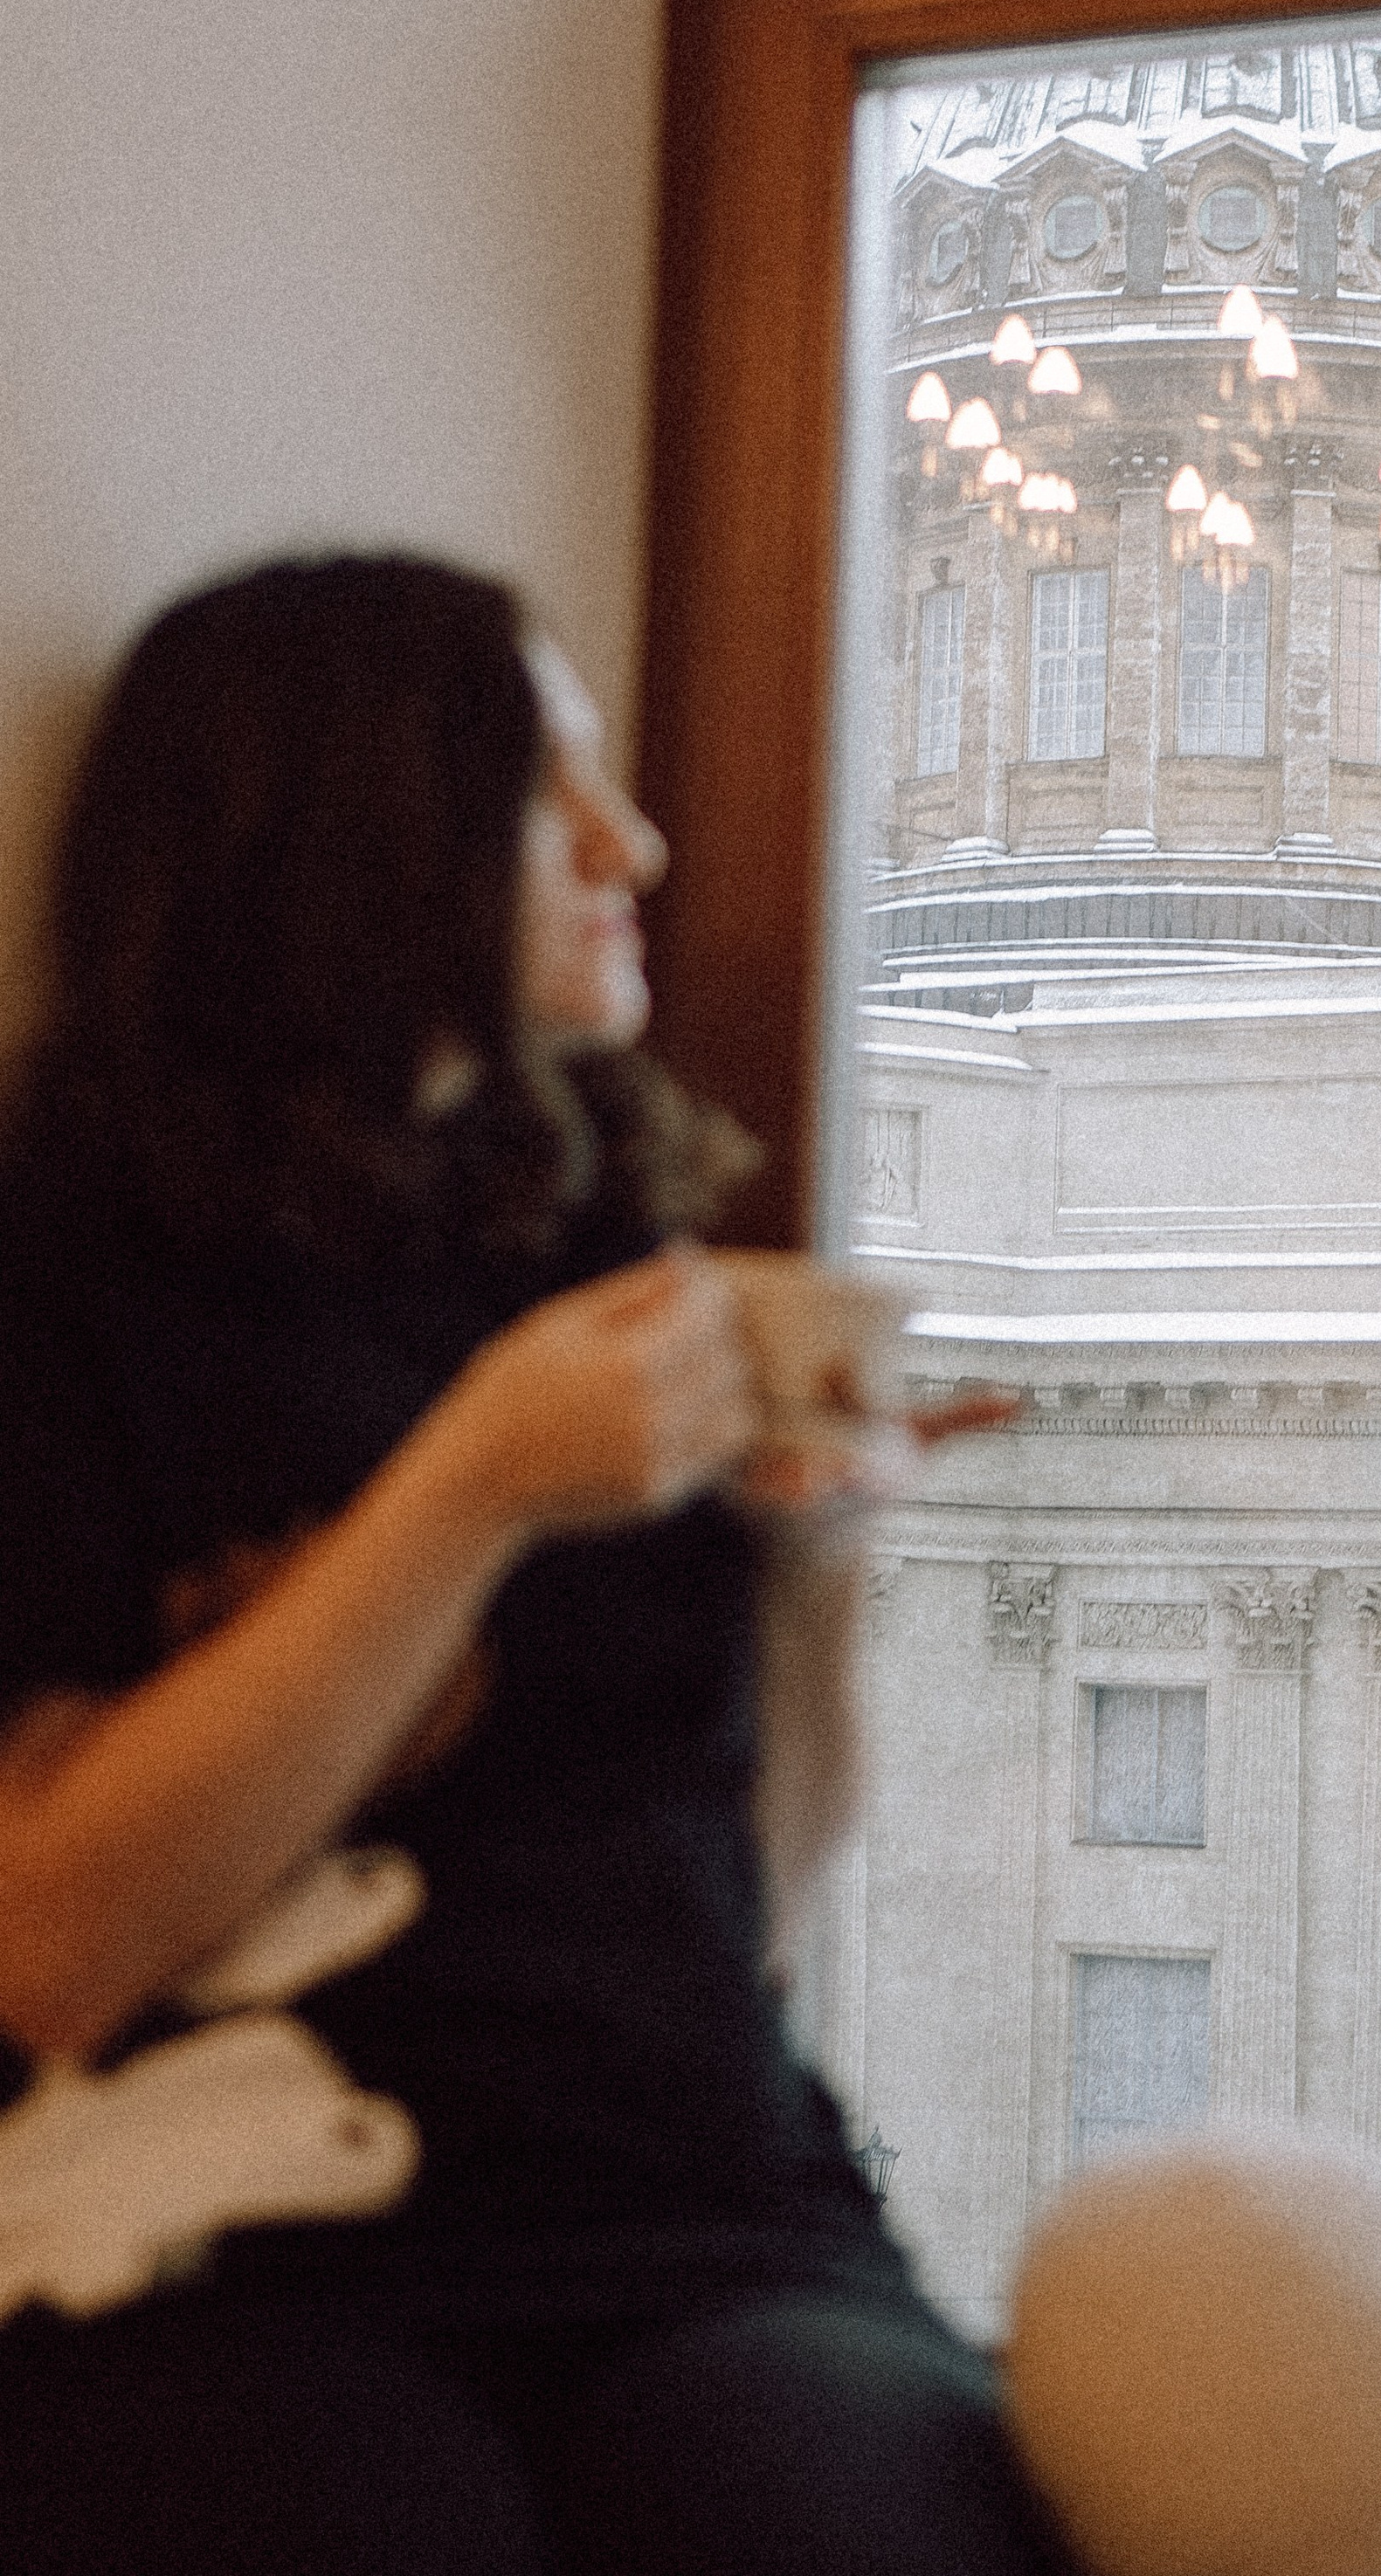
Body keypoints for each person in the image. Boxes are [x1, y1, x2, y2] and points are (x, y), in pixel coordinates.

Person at [0, 553, 1078, 2576]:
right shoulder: (66, 1269)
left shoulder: (601, 1242)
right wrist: (476, 1486)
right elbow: (49, 1947)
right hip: (231, 2229)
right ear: (348, 835)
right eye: (548, 789)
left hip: (703, 2209)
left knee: (831, 2516)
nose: (636, 841)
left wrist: (812, 1571)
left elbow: (737, 1904)